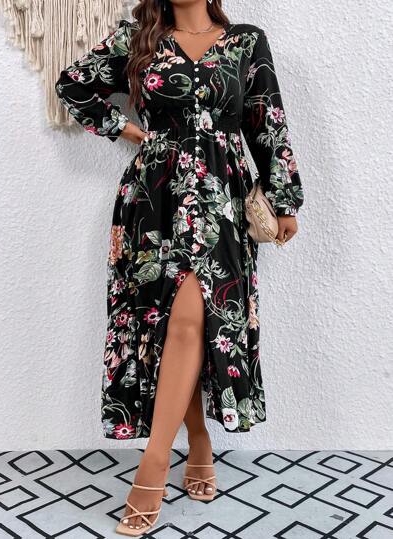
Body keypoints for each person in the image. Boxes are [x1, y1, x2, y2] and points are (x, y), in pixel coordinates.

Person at [55, 0, 304, 535]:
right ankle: (199, 441)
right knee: (172, 326)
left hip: (220, 197)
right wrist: (128, 131)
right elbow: (73, 85)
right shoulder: (139, 38)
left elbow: (268, 122)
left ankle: (153, 465)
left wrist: (285, 200)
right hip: (154, 198)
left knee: (192, 319)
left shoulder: (246, 41)